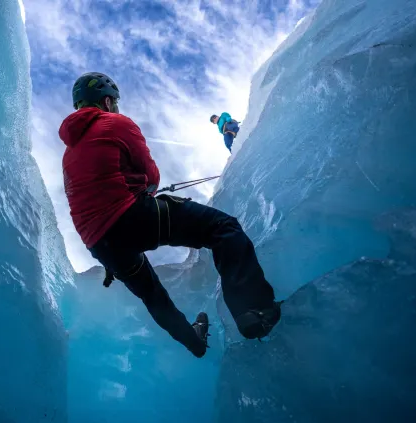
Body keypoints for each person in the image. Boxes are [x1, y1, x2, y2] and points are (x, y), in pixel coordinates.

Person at [59, 72, 281, 358]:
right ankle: (253, 310)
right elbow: (151, 175)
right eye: (115, 101)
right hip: (131, 216)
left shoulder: (68, 153)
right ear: (106, 100)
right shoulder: (115, 123)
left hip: (100, 244)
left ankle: (194, 342)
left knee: (153, 295)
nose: (116, 107)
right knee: (223, 228)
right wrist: (144, 190)